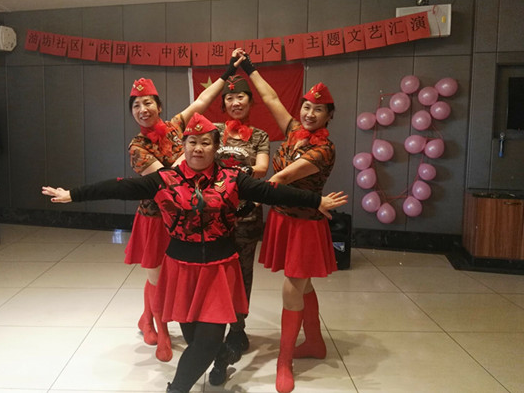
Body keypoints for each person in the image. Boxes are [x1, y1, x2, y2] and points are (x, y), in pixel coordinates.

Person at [42, 112, 348, 393]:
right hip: (180, 270)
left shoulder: (232, 179)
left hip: (219, 269)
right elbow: (120, 187)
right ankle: (222, 357)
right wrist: (73, 194)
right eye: (192, 142)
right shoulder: (165, 179)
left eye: (205, 142)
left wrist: (315, 201)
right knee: (194, 339)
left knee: (207, 340)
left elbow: (271, 191)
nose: (198, 148)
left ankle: (177, 388)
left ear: (216, 147)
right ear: (184, 145)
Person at [124, 50, 244, 362]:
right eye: (136, 105)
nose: (143, 109)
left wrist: (227, 72)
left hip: (187, 219)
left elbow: (203, 100)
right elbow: (167, 180)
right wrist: (193, 154)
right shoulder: (137, 148)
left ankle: (147, 318)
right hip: (155, 220)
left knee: (166, 276)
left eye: (148, 102)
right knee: (156, 276)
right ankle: (161, 332)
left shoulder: (177, 127)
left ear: (159, 106)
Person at [241, 55, 339, 393]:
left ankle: (284, 362)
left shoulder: (324, 150)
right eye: (306, 107)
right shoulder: (294, 130)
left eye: (318, 109)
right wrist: (249, 68)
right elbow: (270, 98)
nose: (309, 113)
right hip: (283, 219)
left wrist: (247, 198)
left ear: (329, 115)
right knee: (303, 285)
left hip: (305, 227)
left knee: (292, 288)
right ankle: (314, 342)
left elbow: (281, 178)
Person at [209, 74, 270, 385]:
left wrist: (238, 170)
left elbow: (262, 168)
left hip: (246, 215)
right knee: (215, 271)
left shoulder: (259, 136)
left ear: (250, 101)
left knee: (243, 272)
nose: (235, 102)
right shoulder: (214, 131)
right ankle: (213, 327)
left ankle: (238, 329)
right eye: (229, 98)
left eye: (241, 97)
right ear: (223, 104)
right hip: (214, 214)